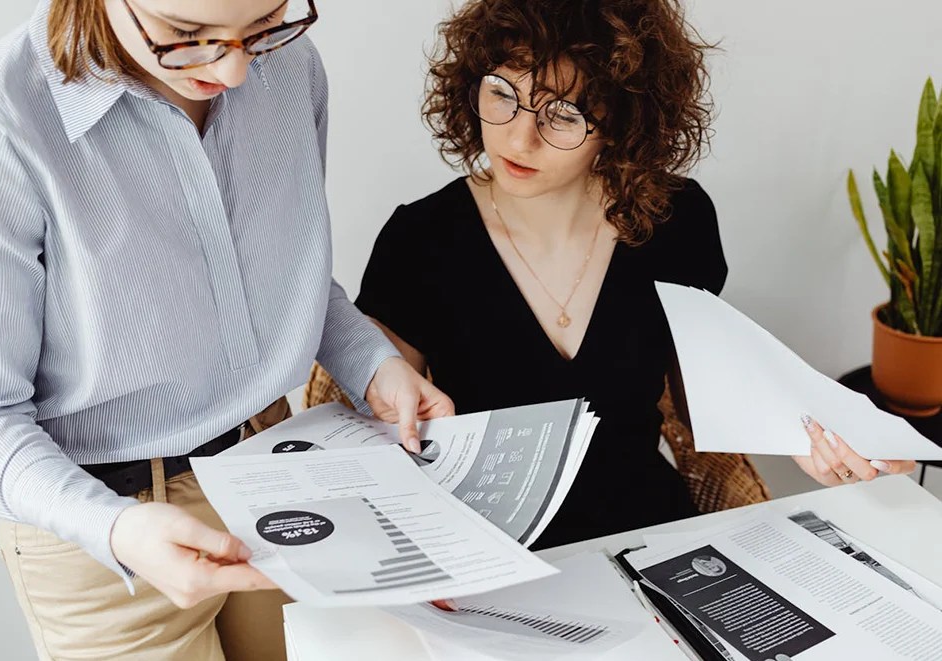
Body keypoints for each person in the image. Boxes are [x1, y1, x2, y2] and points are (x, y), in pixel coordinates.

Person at [0, 0, 452, 658]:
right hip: (103, 533)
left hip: (280, 471)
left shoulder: (290, 67)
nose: (235, 71)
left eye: (264, 23)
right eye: (186, 35)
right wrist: (116, 528)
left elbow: (282, 273)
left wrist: (372, 363)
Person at [355, 0, 916, 550]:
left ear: (622, 123)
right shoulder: (421, 239)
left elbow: (703, 399)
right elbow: (378, 432)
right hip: (487, 552)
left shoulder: (675, 220)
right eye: (502, 94)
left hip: (648, 542)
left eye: (562, 115)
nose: (518, 139)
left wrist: (813, 437)